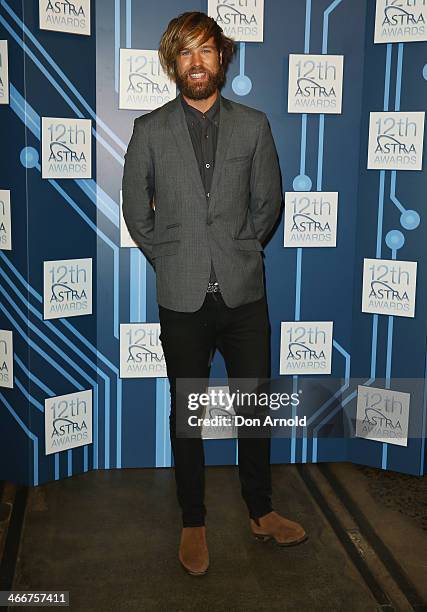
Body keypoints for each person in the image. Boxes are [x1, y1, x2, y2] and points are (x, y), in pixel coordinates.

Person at [122, 11, 307, 576]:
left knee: (254, 408)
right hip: (182, 298)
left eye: (206, 51)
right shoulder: (149, 130)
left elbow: (268, 204)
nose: (197, 63)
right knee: (188, 414)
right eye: (186, 53)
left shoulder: (253, 125)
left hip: (245, 294)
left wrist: (239, 251)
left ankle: (261, 510)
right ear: (173, 64)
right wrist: (174, 257)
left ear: (221, 58)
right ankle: (193, 520)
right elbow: (136, 212)